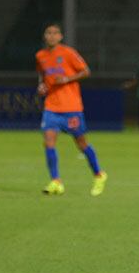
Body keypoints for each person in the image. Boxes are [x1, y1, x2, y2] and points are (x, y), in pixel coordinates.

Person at [35, 23, 107, 196]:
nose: (51, 36)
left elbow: (85, 71)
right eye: (48, 33)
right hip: (51, 106)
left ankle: (99, 174)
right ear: (45, 36)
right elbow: (42, 76)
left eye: (55, 33)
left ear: (60, 37)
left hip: (71, 107)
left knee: (81, 143)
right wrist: (42, 86)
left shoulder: (68, 53)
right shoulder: (40, 56)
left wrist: (67, 78)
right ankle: (56, 181)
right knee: (49, 141)